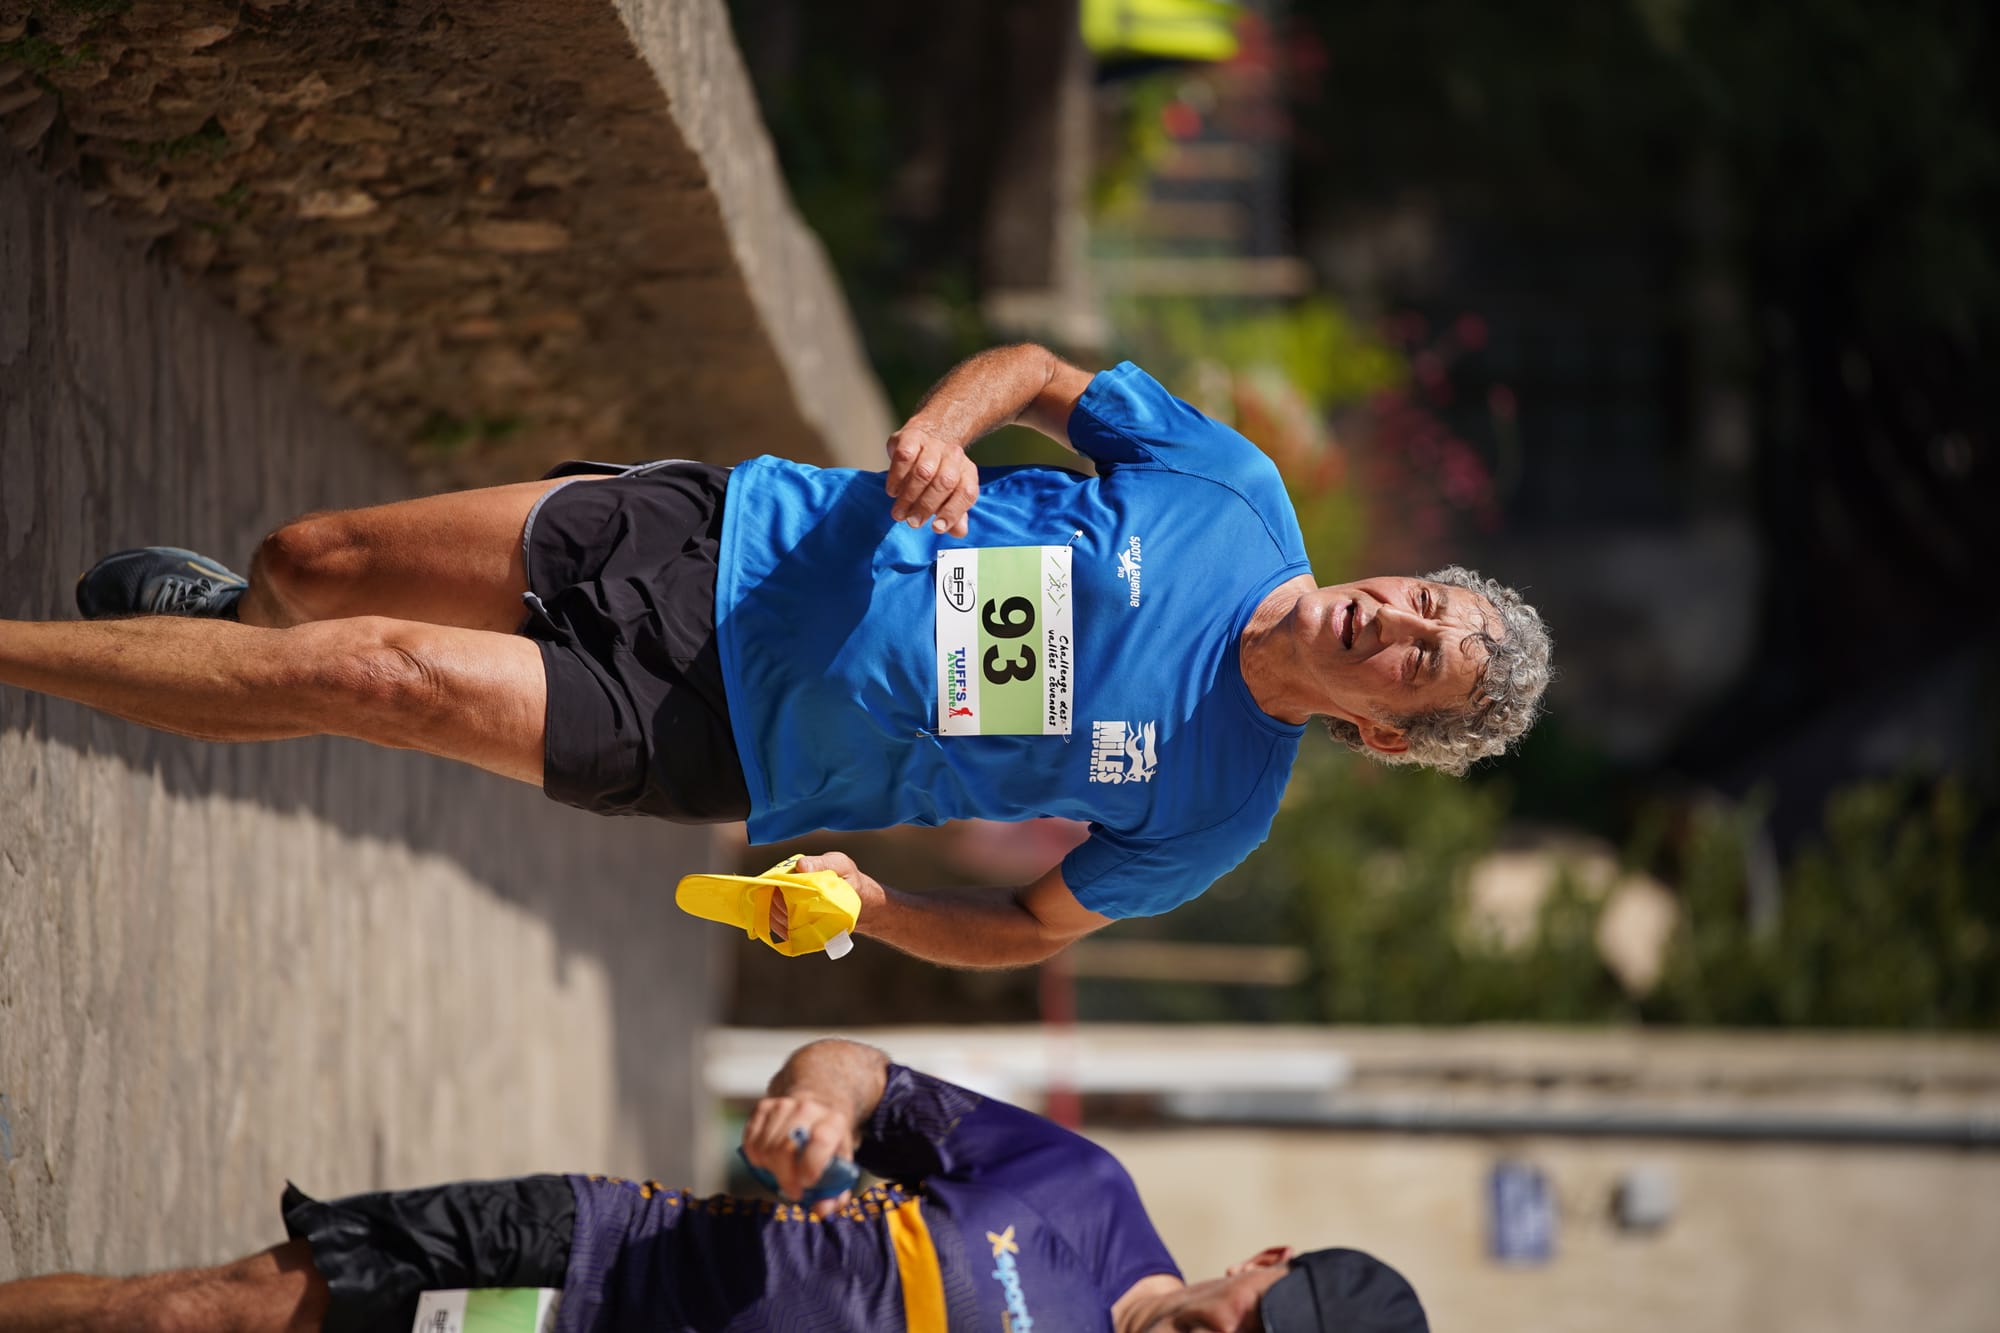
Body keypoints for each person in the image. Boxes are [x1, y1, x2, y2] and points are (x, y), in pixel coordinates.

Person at [3, 345, 1551, 966]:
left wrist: (875, 907)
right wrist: (941, 431)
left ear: (1386, 734)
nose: (1396, 623)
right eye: (1425, 603)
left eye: (1420, 664)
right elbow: (1036, 374)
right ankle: (224, 627)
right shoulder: (1237, 492)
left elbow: (1029, 926)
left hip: (725, 741)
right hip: (734, 536)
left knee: (378, 680)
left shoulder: (1217, 811)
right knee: (311, 568)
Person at [0, 1037, 1431, 1333]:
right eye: (1260, 1328)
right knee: (204, 1313)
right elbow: (863, 1071)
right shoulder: (1081, 1189)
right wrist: (816, 1106)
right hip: (594, 1266)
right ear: (1265, 1260)